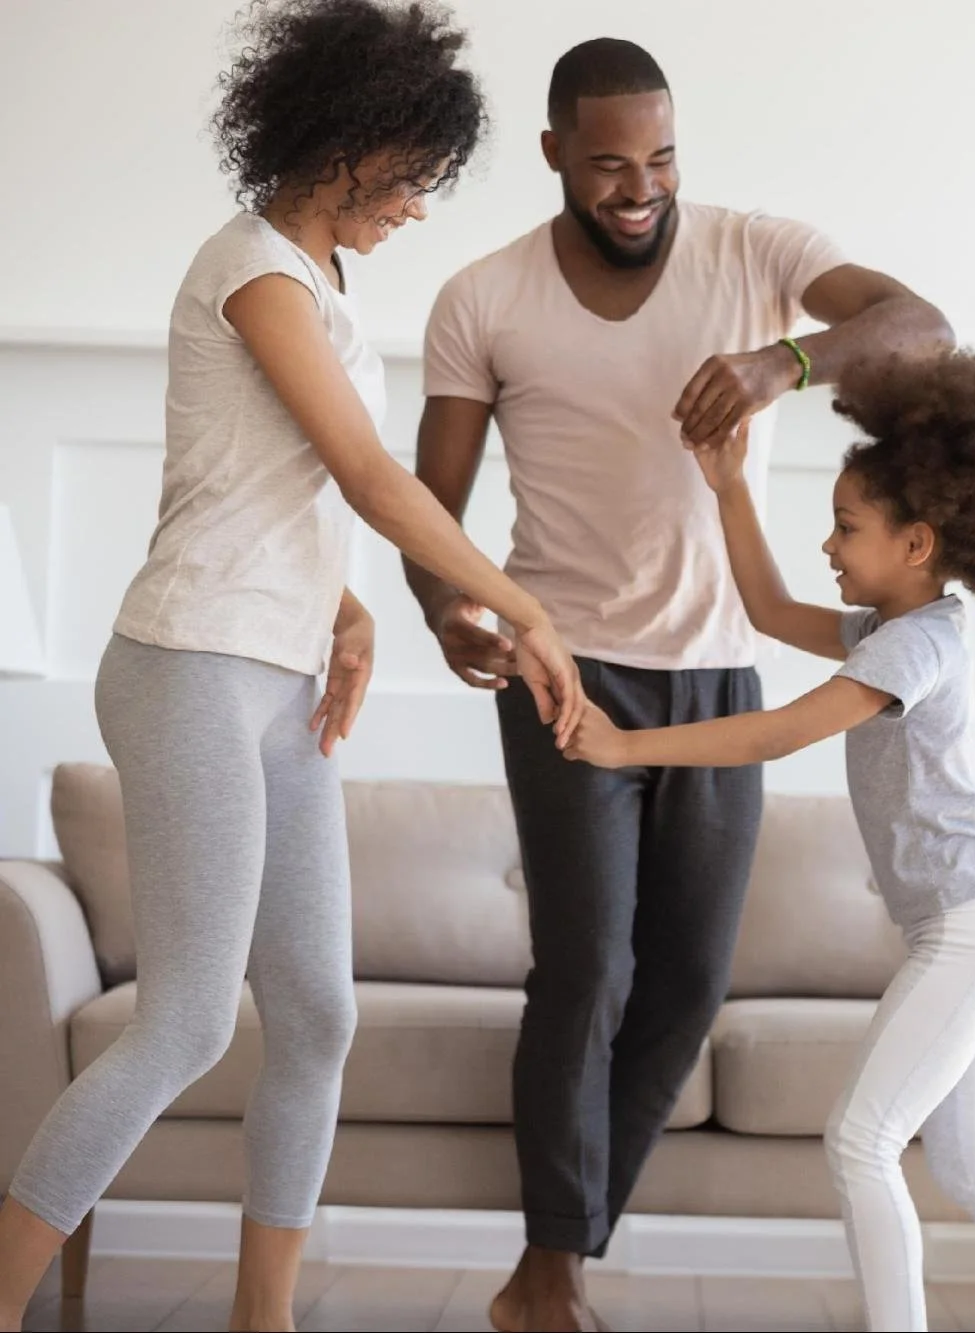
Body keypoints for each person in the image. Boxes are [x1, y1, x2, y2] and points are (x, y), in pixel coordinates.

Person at [0, 4, 585, 1330]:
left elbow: (279, 488)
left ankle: (260, 1321)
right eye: (416, 176)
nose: (421, 207)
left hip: (275, 677)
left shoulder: (325, 280)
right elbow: (373, 475)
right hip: (191, 665)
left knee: (317, 1013)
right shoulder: (255, 272)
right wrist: (528, 610)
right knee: (189, 1023)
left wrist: (350, 610)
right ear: (353, 139)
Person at [403, 37, 955, 1332]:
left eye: (658, 158)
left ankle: (560, 1254)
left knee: (689, 983)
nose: (638, 186)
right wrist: (447, 609)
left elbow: (921, 328)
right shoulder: (480, 299)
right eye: (607, 164)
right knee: (584, 966)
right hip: (564, 665)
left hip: (716, 669)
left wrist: (785, 364)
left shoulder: (751, 252)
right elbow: (430, 511)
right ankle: (551, 1275)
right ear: (552, 155)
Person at [563, 352, 975, 1333]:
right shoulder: (898, 623)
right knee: (970, 1165)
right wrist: (729, 486)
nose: (828, 543)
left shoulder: (914, 645)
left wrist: (623, 745)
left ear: (916, 541)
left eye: (845, 527)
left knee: (860, 1141)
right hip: (974, 923)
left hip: (974, 928)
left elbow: (780, 729)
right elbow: (770, 611)